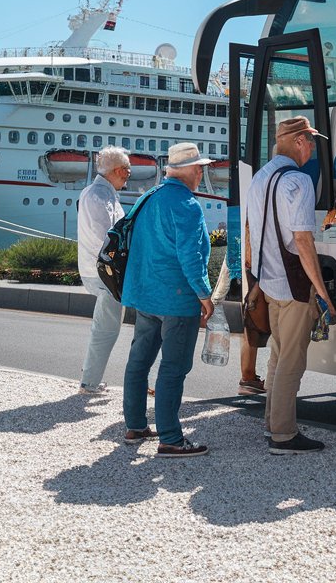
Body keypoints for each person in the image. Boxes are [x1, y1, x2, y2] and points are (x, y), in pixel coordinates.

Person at [245, 116, 336, 455]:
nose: (312, 147)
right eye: (310, 140)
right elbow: (302, 241)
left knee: (279, 355)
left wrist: (254, 279)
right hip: (295, 286)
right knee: (292, 361)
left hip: (268, 282)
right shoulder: (298, 180)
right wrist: (323, 293)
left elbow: (251, 234)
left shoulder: (260, 178)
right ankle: (284, 435)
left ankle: (271, 423)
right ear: (297, 141)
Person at [120, 142, 215, 457]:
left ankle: (135, 426)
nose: (201, 172)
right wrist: (205, 296)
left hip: (145, 294)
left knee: (139, 362)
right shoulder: (186, 204)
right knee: (173, 368)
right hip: (176, 299)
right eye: (198, 167)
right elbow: (192, 258)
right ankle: (171, 438)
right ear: (186, 170)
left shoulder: (149, 197)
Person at [76, 147, 131, 395]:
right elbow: (106, 239)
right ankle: (89, 383)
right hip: (104, 273)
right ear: (118, 170)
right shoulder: (100, 196)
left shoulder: (98, 192)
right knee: (106, 329)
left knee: (106, 327)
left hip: (98, 270)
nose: (129, 174)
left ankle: (90, 380)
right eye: (128, 170)